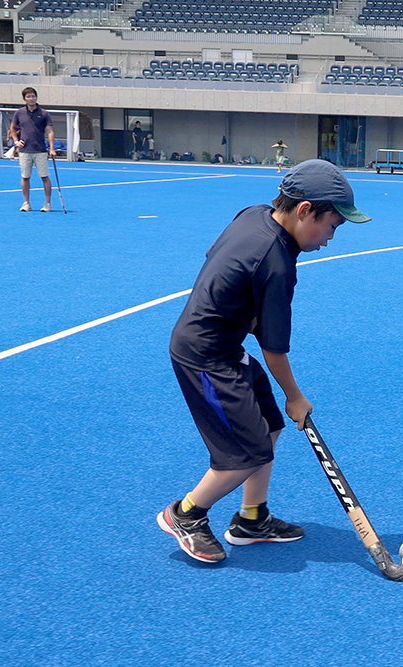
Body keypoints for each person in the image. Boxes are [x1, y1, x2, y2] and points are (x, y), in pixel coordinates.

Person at [159, 159, 371, 564]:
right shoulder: (277, 262)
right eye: (332, 225)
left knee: (269, 426)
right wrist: (295, 396)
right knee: (247, 452)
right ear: (305, 209)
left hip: (224, 345)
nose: (331, 237)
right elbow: (274, 347)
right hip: (205, 356)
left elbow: (216, 255)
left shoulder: (255, 214)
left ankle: (251, 519)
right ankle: (185, 514)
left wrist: (241, 306)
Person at [10, 86, 56, 212]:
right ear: (24, 99)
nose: (31, 99)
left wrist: (52, 148)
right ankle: (26, 203)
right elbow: (12, 128)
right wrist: (16, 141)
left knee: (44, 177)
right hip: (25, 150)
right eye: (29, 96)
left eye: (33, 96)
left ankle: (47, 203)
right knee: (25, 177)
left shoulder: (44, 113)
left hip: (40, 150)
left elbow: (50, 131)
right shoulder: (19, 113)